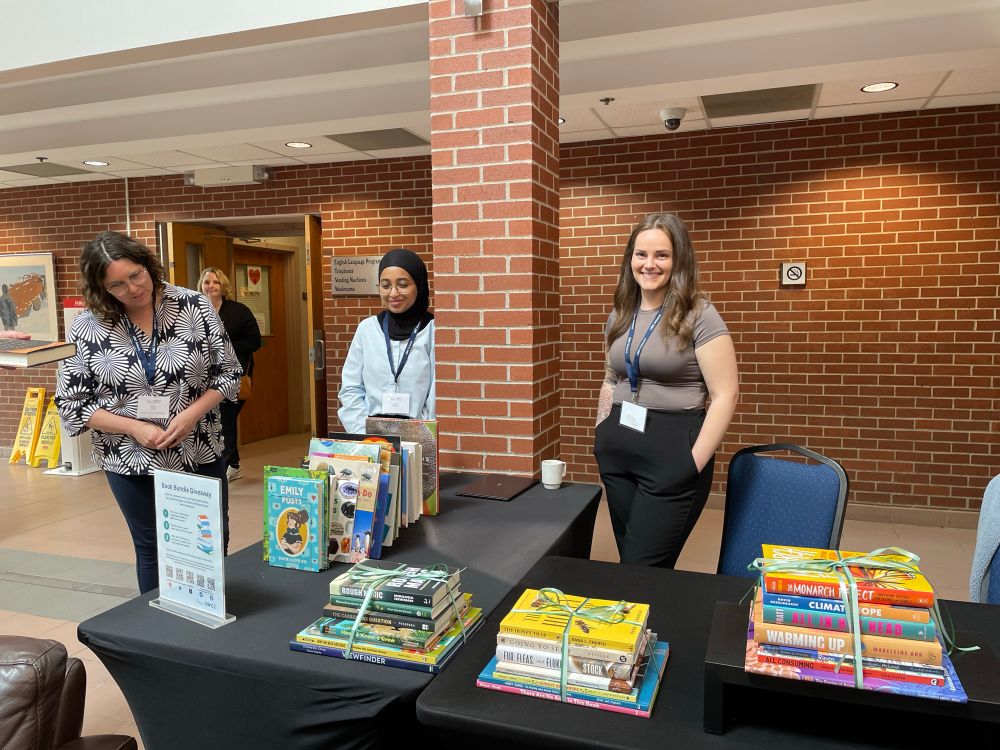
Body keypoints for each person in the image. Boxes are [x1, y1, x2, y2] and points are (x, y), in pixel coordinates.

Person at [55, 231, 242, 594]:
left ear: (148, 265)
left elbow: (229, 373)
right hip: (128, 458)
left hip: (198, 448)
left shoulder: (194, 306)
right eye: (118, 285)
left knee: (210, 542)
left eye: (136, 275)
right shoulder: (87, 326)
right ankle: (157, 634)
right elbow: (72, 402)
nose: (133, 289)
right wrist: (134, 428)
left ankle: (208, 619)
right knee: (151, 547)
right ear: (101, 288)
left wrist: (190, 415)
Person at [593, 213, 739, 569]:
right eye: (641, 254)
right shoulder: (621, 314)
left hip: (673, 453)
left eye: (662, 255)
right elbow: (612, 377)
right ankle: (644, 627)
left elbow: (726, 394)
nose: (649, 264)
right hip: (619, 452)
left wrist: (692, 462)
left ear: (679, 260)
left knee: (644, 567)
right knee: (630, 561)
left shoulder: (699, 314)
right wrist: (601, 431)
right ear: (630, 259)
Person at [338, 248, 435, 433]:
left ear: (419, 286)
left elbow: (436, 394)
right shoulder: (367, 329)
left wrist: (421, 433)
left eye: (403, 284)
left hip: (419, 435)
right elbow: (350, 388)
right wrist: (363, 433)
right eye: (385, 285)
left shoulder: (432, 330)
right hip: (371, 435)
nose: (393, 293)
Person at [199, 267, 262, 482]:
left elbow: (255, 342)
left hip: (234, 376)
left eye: (215, 282)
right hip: (203, 377)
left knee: (226, 419)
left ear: (223, 285)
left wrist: (223, 347)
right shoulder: (195, 311)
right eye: (207, 282)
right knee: (217, 421)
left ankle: (225, 466)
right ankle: (233, 464)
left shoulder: (239, 311)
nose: (211, 286)